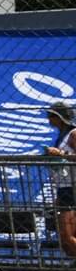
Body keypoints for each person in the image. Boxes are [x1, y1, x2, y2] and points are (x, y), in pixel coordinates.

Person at [46, 101, 76, 258]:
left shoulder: (73, 134)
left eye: (51, 115)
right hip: (65, 188)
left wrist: (61, 155)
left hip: (73, 188)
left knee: (68, 238)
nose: (48, 119)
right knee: (66, 241)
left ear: (60, 117)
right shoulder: (61, 136)